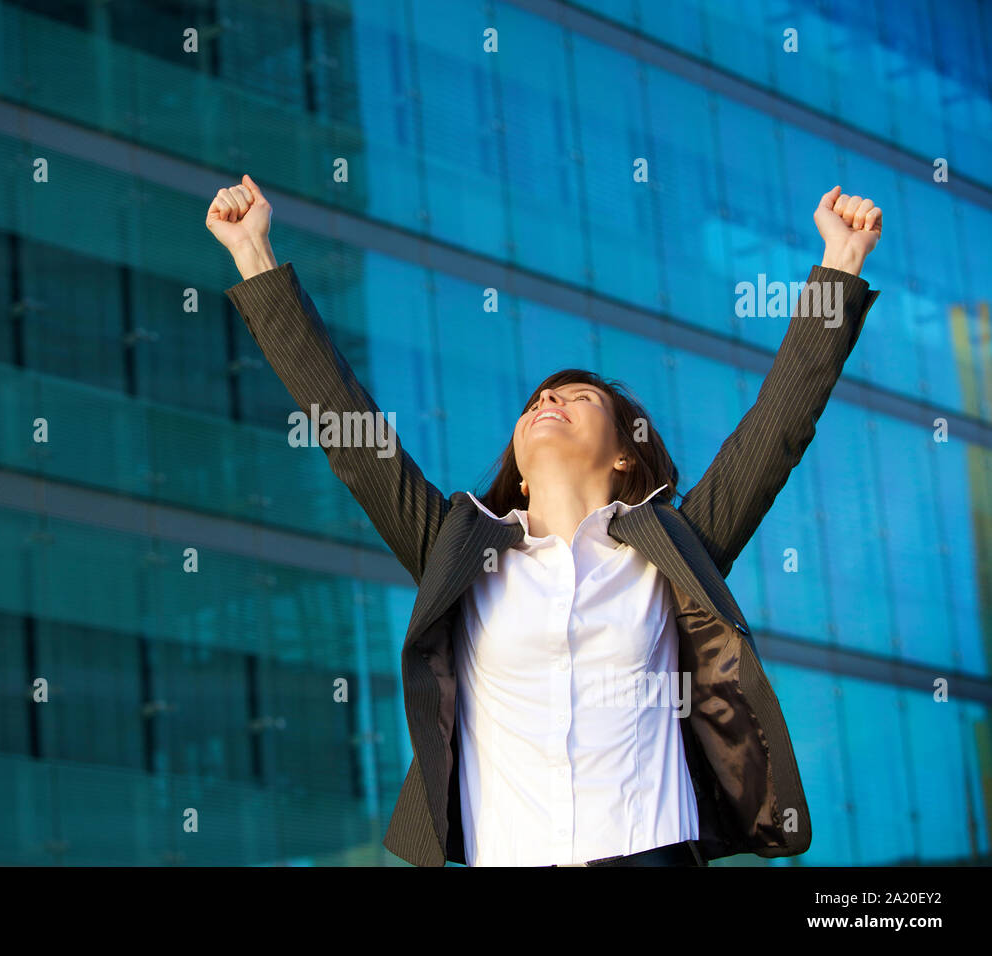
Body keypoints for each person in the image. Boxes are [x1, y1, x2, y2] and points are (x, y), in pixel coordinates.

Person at [207, 173, 882, 867]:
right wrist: (254, 252)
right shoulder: (456, 549)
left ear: (626, 456)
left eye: (580, 396)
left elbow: (776, 428)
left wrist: (842, 261)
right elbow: (346, 426)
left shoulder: (675, 548)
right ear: (521, 468)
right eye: (537, 399)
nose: (550, 398)